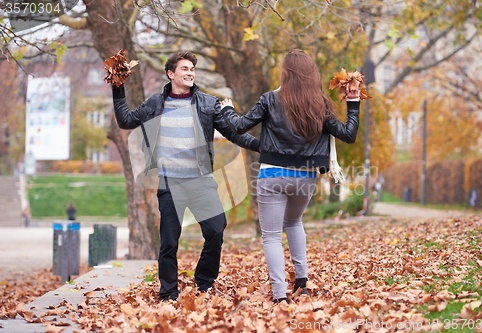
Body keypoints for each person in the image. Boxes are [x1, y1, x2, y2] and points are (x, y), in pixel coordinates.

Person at [111, 51, 260, 301]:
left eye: (192, 69)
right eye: (184, 69)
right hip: (170, 182)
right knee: (169, 241)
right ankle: (168, 292)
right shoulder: (154, 104)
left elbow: (234, 134)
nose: (190, 72)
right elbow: (126, 121)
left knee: (216, 230)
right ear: (171, 74)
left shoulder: (208, 103)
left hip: (200, 180)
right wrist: (118, 89)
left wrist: (261, 146)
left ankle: (204, 282)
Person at [220, 49, 360, 303]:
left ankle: (279, 295)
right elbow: (348, 134)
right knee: (294, 222)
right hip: (306, 177)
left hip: (272, 174)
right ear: (311, 74)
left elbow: (239, 126)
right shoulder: (320, 103)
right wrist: (353, 102)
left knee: (272, 235)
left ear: (286, 73)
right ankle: (303, 284)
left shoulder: (270, 99)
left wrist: (228, 109)